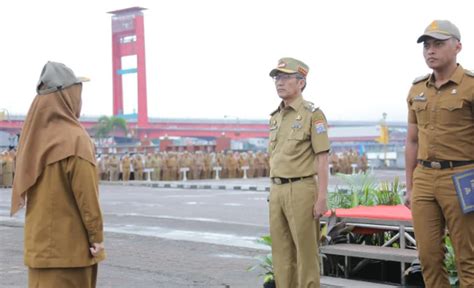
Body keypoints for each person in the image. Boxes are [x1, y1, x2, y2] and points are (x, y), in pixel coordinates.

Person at [11, 61, 105, 288]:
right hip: (69, 254)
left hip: (40, 251)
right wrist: (97, 238)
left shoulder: (33, 139)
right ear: (67, 96)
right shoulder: (75, 138)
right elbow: (87, 198)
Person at [405, 20, 474, 287]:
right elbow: (412, 141)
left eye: (438, 44)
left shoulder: (470, 86)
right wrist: (410, 186)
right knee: (428, 256)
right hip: (424, 177)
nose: (430, 51)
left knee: (467, 257)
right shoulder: (417, 88)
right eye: (426, 45)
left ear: (458, 47)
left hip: (463, 176)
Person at [267, 57, 330, 288]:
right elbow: (274, 157)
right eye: (277, 77)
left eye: (285, 77)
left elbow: (322, 158)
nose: (279, 82)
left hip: (301, 189)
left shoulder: (313, 115)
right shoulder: (275, 117)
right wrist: (272, 189)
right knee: (281, 253)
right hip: (277, 191)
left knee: (305, 252)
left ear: (301, 82)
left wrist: (321, 198)